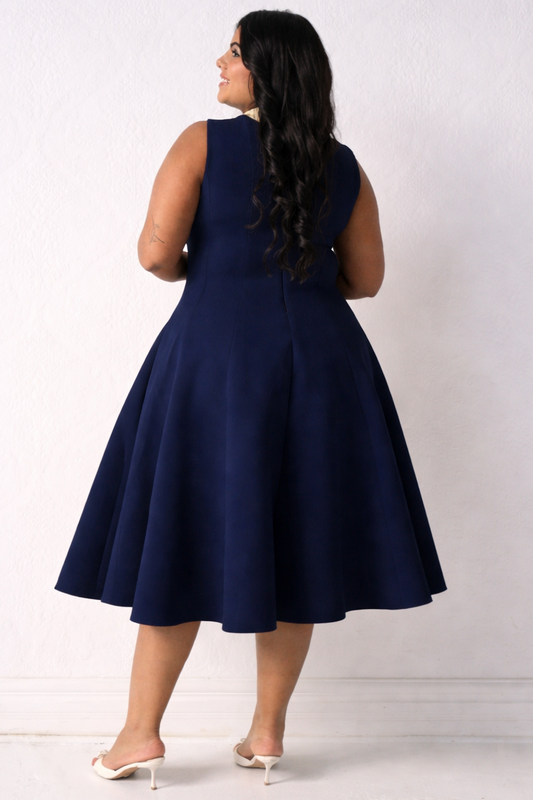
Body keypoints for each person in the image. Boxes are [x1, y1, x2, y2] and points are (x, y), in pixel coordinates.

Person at [54, 10, 446, 788]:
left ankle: (139, 736)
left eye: (234, 51)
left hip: (214, 361)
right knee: (297, 539)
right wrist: (297, 284)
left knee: (179, 537)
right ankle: (266, 732)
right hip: (322, 366)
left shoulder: (202, 143)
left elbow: (155, 254)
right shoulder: (341, 165)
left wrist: (210, 271)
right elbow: (365, 278)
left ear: (267, 67)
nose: (220, 62)